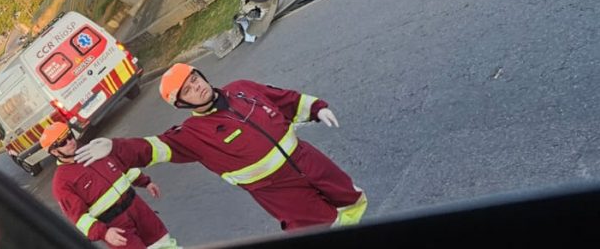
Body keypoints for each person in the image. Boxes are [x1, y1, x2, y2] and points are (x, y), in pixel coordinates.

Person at [75, 64, 367, 232]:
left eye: (195, 79)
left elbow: (284, 99)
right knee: (323, 227)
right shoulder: (191, 134)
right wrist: (115, 146)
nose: (197, 87)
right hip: (278, 192)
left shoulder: (242, 88)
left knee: (351, 197)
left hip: (307, 159)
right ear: (181, 104)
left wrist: (316, 108)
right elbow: (153, 148)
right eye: (187, 90)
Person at [40, 121, 178, 249]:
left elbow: (121, 167)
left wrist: (145, 182)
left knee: (163, 242)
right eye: (63, 142)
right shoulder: (62, 182)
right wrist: (104, 233)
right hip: (116, 227)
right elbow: (79, 218)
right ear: (54, 152)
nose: (70, 142)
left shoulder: (94, 150)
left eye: (70, 136)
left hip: (138, 208)